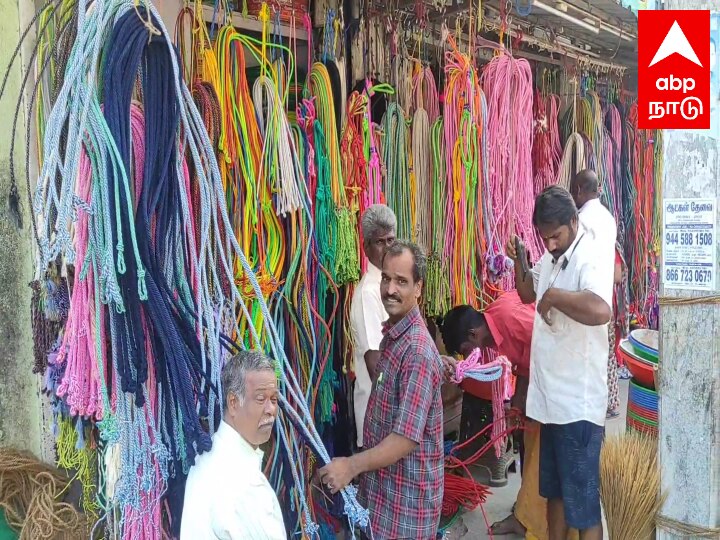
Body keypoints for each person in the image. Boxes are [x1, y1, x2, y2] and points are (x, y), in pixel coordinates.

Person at [508, 186, 613, 540]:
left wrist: (555, 297)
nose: (550, 244)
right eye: (544, 238)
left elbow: (600, 310)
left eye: (555, 236)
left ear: (573, 220)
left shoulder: (591, 254)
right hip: (551, 404)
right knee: (553, 495)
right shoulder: (551, 254)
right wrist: (521, 258)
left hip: (577, 405)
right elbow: (527, 292)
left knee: (583, 507)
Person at [319, 241, 444, 540]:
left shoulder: (416, 351)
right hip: (384, 495)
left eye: (402, 281)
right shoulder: (394, 337)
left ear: (418, 288)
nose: (390, 289)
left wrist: (350, 465)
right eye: (386, 278)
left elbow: (404, 439)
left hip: (405, 507)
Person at [439, 291, 534, 537]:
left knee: (541, 458)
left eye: (465, 350)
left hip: (560, 392)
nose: (469, 356)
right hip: (537, 389)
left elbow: (554, 343)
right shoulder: (492, 328)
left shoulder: (511, 317)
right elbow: (524, 364)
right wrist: (517, 403)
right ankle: (524, 514)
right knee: (528, 450)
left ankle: (536, 520)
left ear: (473, 335)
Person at [181, 350, 285, 540]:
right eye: (261, 399)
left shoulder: (211, 462)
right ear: (234, 403)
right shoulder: (235, 481)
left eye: (274, 399)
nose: (271, 410)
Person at [570, 170, 622, 418]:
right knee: (603, 359)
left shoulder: (580, 221)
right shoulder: (608, 218)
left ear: (579, 189)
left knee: (585, 365)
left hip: (585, 304)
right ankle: (601, 410)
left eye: (573, 190)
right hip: (605, 304)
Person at [350, 204, 396, 449]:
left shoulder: (394, 285)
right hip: (379, 419)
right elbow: (375, 364)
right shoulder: (369, 293)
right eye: (380, 242)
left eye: (391, 240)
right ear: (366, 247)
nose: (388, 248)